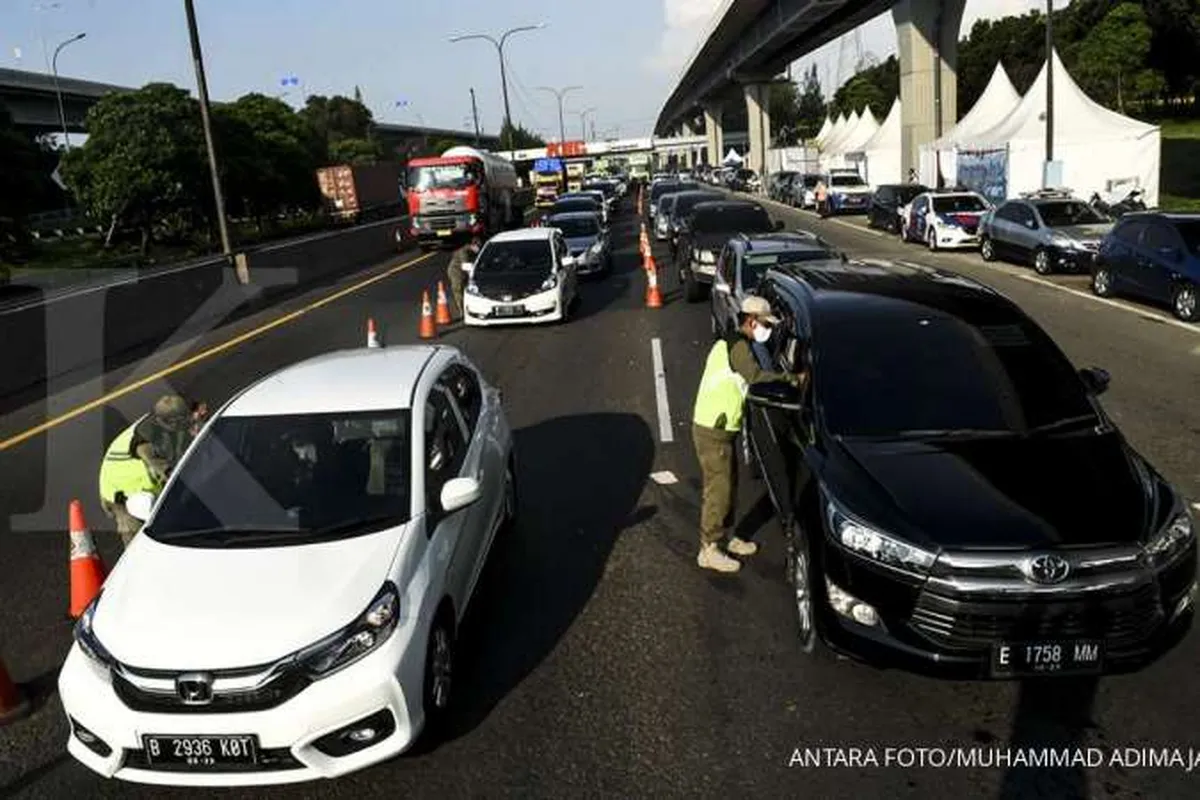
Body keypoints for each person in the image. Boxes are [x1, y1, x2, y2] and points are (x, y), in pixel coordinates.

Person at [692, 296, 806, 573]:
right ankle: (708, 549)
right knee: (718, 490)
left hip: (721, 427)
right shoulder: (739, 346)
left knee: (728, 485)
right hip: (713, 428)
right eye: (765, 324)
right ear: (752, 321)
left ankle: (726, 538)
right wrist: (791, 379)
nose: (767, 329)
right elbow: (754, 376)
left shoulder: (734, 340)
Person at [98, 394, 207, 546]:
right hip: (120, 492)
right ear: (172, 422)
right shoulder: (147, 440)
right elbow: (163, 469)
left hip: (145, 491)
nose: (188, 424)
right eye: (184, 421)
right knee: (136, 539)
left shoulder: (163, 418)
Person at [446, 235, 482, 319]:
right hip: (456, 273)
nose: (478, 249)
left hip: (463, 273)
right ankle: (462, 311)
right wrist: (472, 276)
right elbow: (466, 266)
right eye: (477, 247)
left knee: (467, 291)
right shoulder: (464, 252)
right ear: (473, 245)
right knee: (458, 291)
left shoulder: (472, 252)